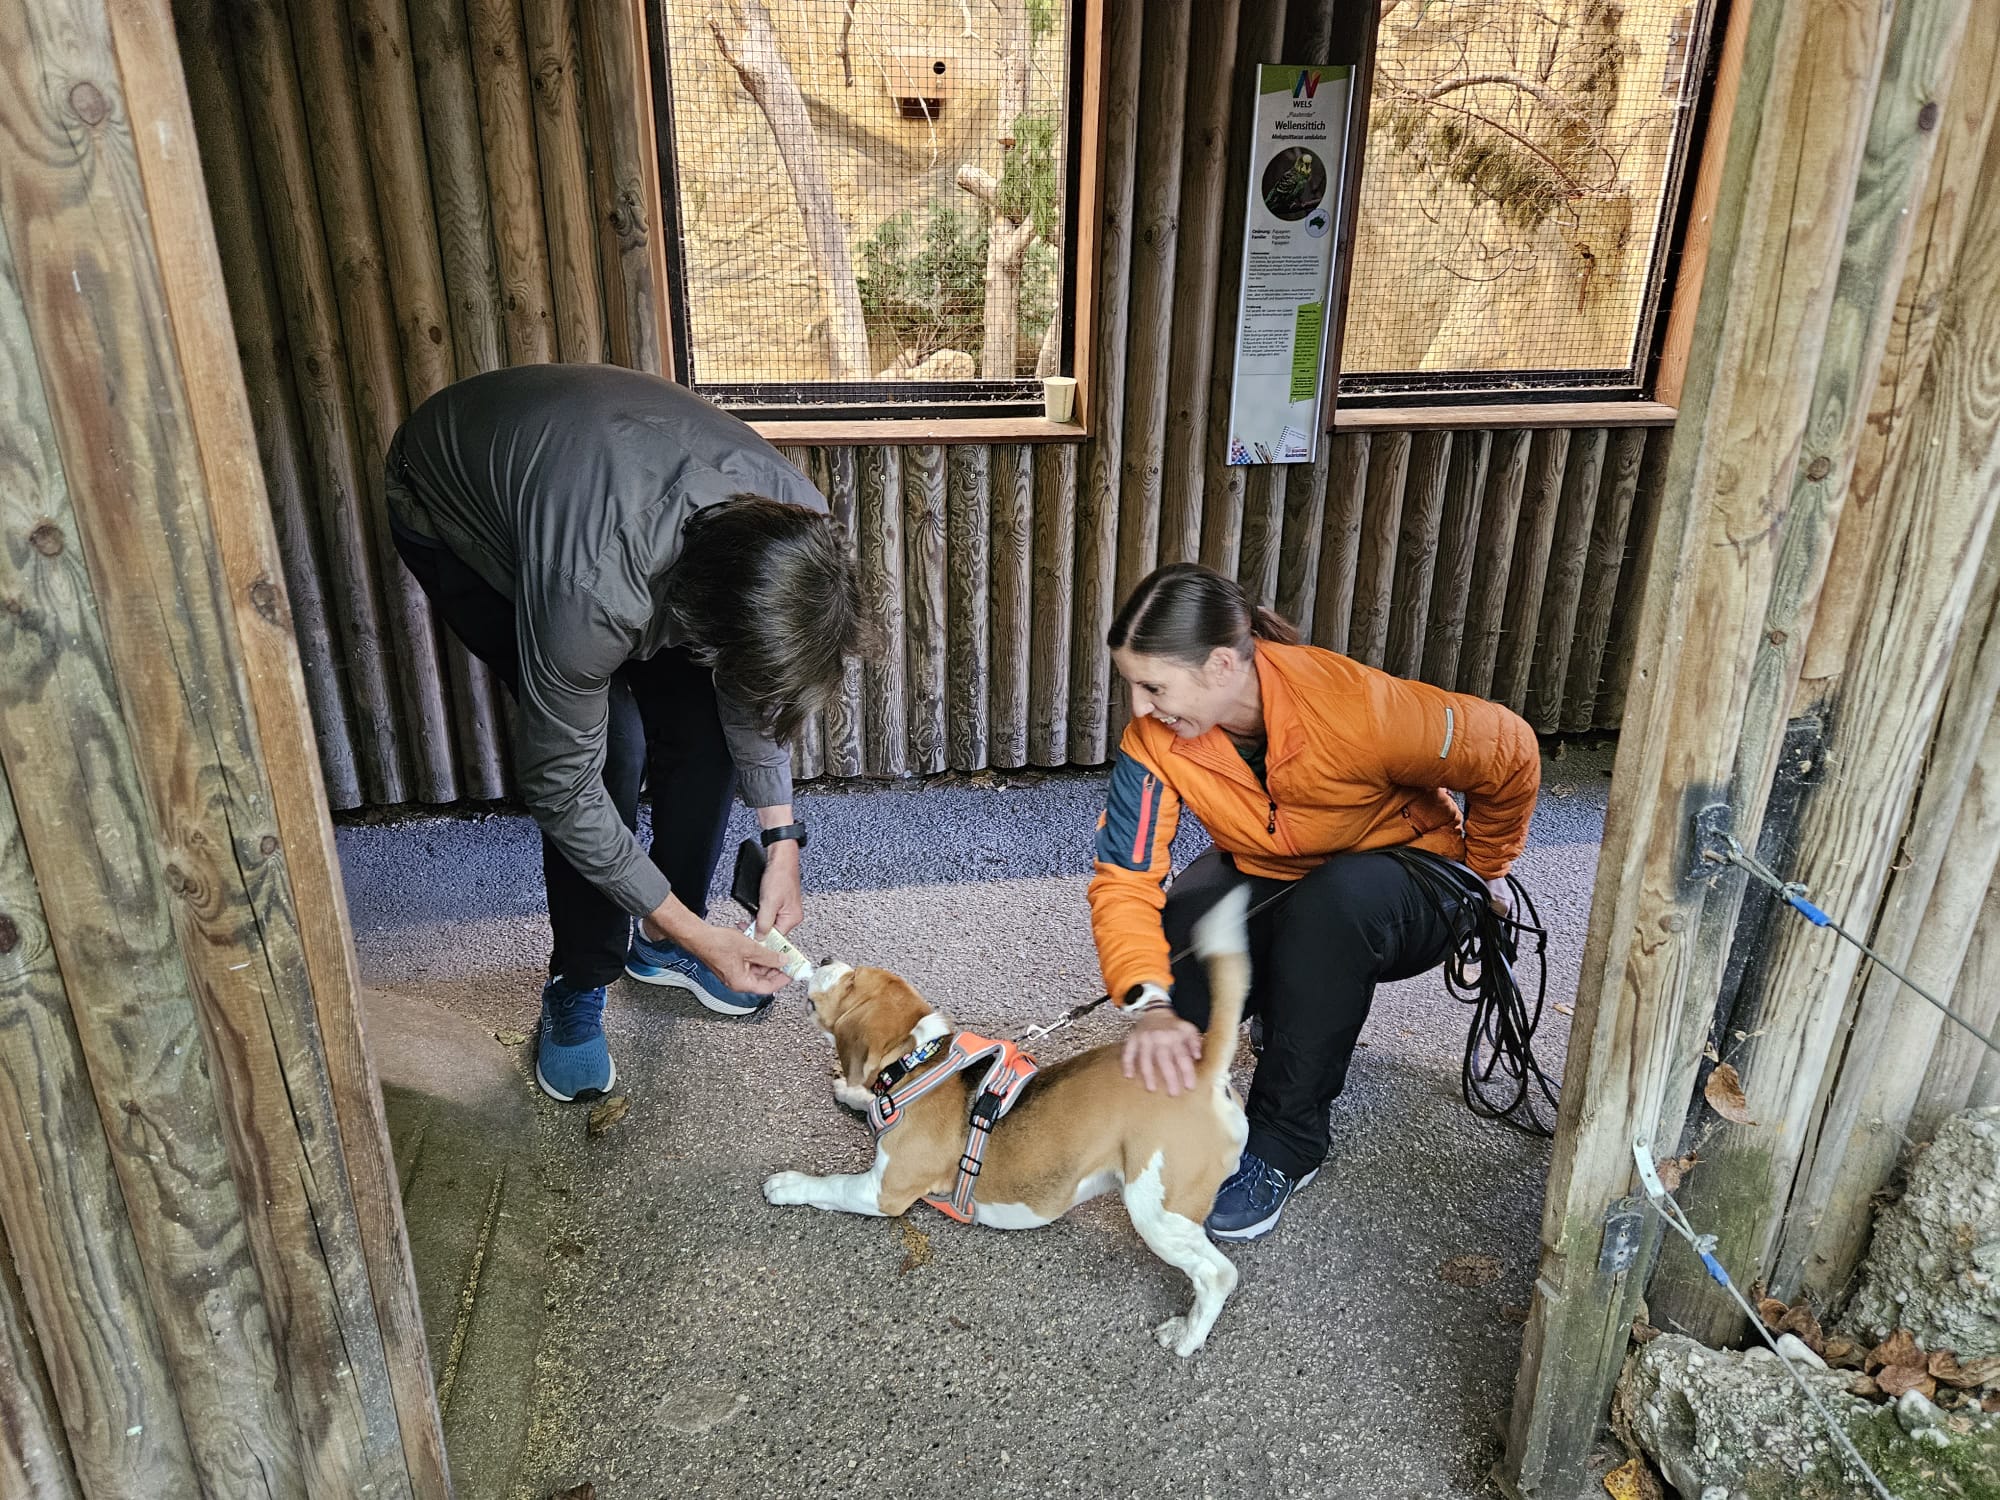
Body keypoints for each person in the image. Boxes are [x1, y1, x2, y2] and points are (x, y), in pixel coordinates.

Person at [385, 364, 862, 1103]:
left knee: (706, 729)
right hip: (454, 503)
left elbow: (748, 695)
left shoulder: (799, 529)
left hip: (616, 488)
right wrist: (704, 934)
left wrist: (782, 842)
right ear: (697, 613)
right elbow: (561, 786)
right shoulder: (592, 588)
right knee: (608, 749)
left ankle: (663, 941)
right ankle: (579, 979)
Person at [1087, 563, 1540, 1241]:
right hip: (1281, 867)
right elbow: (1125, 878)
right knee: (1188, 921)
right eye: (1132, 685)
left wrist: (1486, 869)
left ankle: (1286, 1142)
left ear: (1220, 666)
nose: (1141, 707)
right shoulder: (1152, 740)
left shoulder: (1354, 707)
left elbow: (1510, 751)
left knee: (1330, 911)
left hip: (1405, 877)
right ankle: (1212, 1088)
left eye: (1154, 686)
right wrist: (1150, 1003)